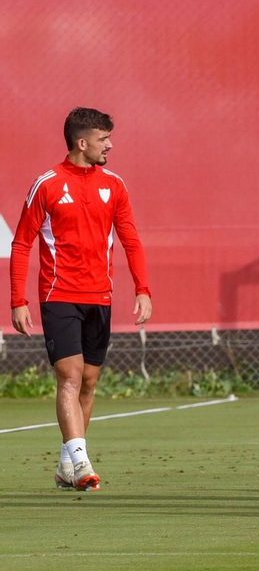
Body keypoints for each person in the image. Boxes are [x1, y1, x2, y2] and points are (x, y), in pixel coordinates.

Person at [9, 107, 152, 492]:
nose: (111, 145)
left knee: (88, 383)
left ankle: (64, 466)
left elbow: (131, 240)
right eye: (104, 139)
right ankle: (83, 464)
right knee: (69, 377)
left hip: (100, 298)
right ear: (82, 142)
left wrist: (143, 288)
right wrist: (17, 300)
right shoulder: (48, 184)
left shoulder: (115, 185)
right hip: (59, 296)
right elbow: (22, 243)